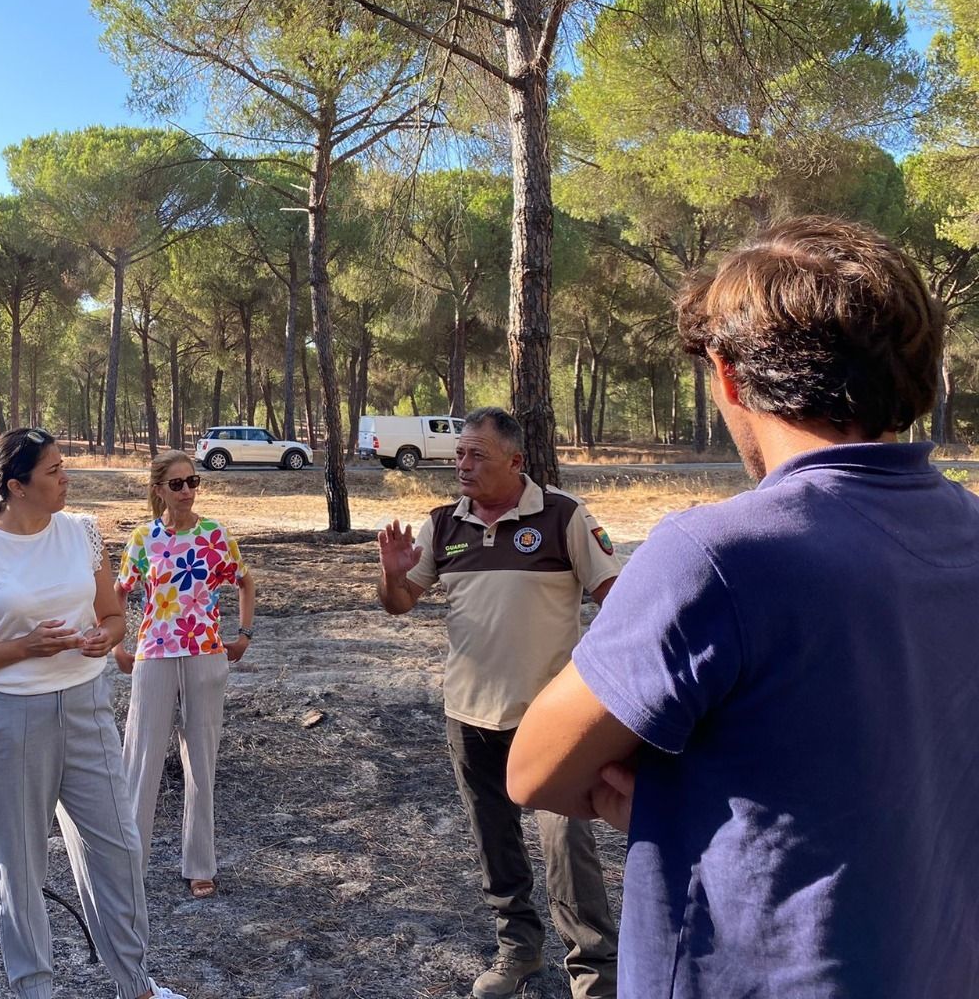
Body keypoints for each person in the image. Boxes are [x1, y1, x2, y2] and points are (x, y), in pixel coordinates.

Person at [507, 217, 979, 997]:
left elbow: (535, 768)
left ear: (727, 376)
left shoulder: (721, 553)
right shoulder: (966, 530)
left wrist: (671, 803)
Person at [0, 428, 187, 999]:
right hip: (8, 720)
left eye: (64, 465)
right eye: (53, 471)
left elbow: (113, 616)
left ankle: (136, 984)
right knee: (19, 871)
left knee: (118, 849)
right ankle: (35, 990)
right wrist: (25, 647)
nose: (66, 476)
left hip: (88, 708)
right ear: (16, 486)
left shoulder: (83, 534)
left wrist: (102, 638)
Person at [376, 405, 621, 999]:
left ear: (515, 461)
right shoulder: (444, 524)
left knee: (565, 843)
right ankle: (517, 950)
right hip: (469, 715)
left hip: (553, 719)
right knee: (494, 838)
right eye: (459, 453)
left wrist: (600, 689)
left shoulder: (563, 517)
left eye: (476, 454)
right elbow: (400, 602)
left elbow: (615, 599)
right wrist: (391, 574)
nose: (462, 464)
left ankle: (594, 971)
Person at [113, 449, 255, 899]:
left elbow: (245, 581)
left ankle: (200, 864)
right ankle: (128, 865)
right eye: (177, 484)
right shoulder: (142, 538)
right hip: (153, 654)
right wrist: (118, 643)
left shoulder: (215, 535)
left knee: (201, 763)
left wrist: (244, 634)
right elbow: (119, 593)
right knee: (141, 760)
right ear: (159, 490)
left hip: (206, 653)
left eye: (193, 481)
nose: (187, 491)